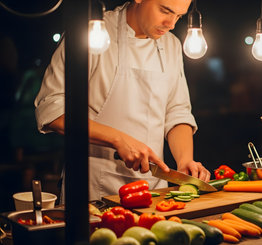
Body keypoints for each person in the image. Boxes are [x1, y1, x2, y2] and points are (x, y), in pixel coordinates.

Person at [34, 0, 211, 201]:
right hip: (93, 189)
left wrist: (184, 160)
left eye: (179, 16)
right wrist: (118, 139)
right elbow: (51, 110)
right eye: (165, 11)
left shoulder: (171, 44)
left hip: (154, 191)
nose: (171, 24)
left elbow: (177, 111)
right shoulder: (92, 33)